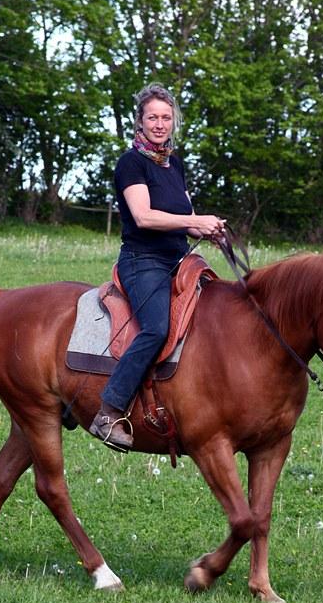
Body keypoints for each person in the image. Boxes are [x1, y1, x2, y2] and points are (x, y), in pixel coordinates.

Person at [89, 83, 225, 450]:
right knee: (156, 328)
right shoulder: (130, 163)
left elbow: (186, 215)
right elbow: (145, 217)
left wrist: (208, 228)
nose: (160, 124)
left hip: (180, 260)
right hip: (143, 261)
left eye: (166, 117)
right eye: (153, 117)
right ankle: (108, 410)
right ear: (141, 121)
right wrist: (194, 223)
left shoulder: (174, 162)